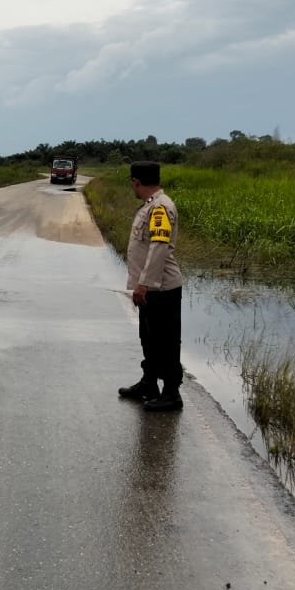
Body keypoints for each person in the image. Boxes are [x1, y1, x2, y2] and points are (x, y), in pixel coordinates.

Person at [118, 161, 185, 411]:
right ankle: (149, 383)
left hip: (162, 288)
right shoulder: (151, 206)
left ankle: (171, 393)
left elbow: (158, 248)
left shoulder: (159, 208)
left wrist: (144, 284)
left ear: (136, 181)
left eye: (132, 183)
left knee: (166, 341)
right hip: (150, 288)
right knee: (149, 338)